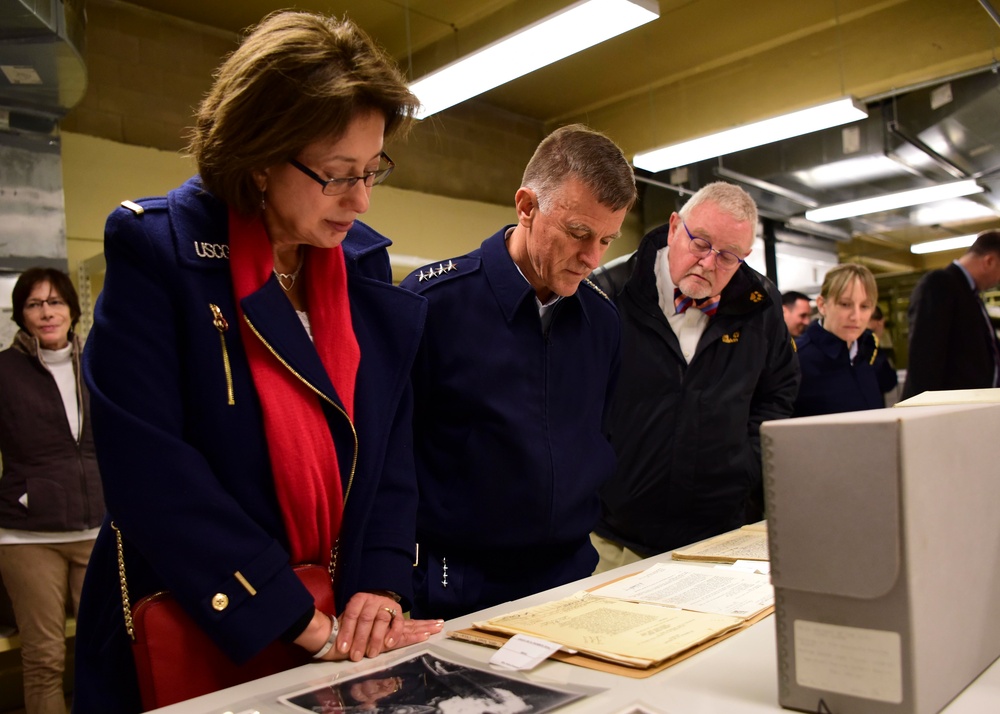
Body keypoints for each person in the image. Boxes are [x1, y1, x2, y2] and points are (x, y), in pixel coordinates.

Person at [73, 12, 442, 712]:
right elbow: (151, 473)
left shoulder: (360, 262)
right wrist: (298, 619)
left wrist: (381, 584)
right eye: (337, 176)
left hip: (337, 622)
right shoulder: (157, 253)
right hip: (210, 617)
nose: (359, 201)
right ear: (260, 155)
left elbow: (389, 451)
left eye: (372, 172)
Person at [400, 124, 637, 619]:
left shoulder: (602, 321)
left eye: (607, 240)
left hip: (567, 582)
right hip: (456, 589)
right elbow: (389, 462)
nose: (592, 258)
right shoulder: (434, 304)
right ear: (526, 206)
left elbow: (599, 434)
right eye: (578, 234)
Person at [589, 182, 799, 571]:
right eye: (700, 243)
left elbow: (778, 392)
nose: (708, 263)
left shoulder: (761, 306)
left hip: (720, 535)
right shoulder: (608, 294)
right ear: (673, 227)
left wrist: (746, 463)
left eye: (728, 256)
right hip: (616, 536)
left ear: (745, 257)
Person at [0, 268, 103, 714]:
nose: (47, 312)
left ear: (72, 310)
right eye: (34, 304)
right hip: (28, 537)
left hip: (97, 529)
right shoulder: (4, 370)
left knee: (103, 654)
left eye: (55, 302)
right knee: (43, 659)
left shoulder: (100, 362)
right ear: (21, 315)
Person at [902, 229, 1000, 399]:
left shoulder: (971, 294)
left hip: (971, 408)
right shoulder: (939, 284)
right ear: (989, 261)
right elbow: (925, 357)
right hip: (947, 411)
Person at [792, 264, 897, 417]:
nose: (856, 317)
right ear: (822, 305)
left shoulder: (868, 350)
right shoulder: (795, 359)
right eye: (845, 304)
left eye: (865, 306)